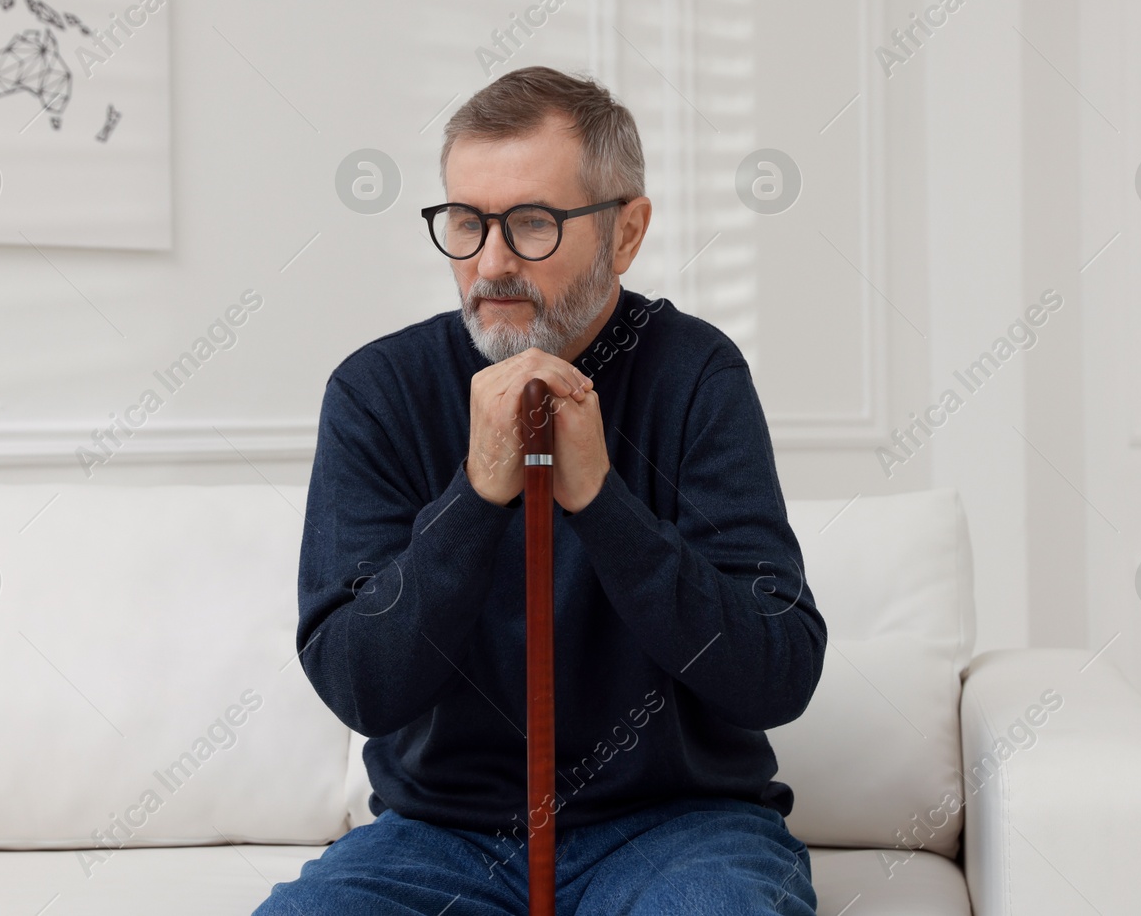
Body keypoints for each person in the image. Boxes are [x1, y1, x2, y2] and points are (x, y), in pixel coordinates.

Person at [254, 66, 826, 915]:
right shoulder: (378, 391)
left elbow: (776, 674)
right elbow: (361, 686)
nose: (490, 264)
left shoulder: (698, 377)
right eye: (465, 221)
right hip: (438, 837)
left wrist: (601, 502)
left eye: (531, 223)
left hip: (678, 828)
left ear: (625, 233)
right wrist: (476, 495)